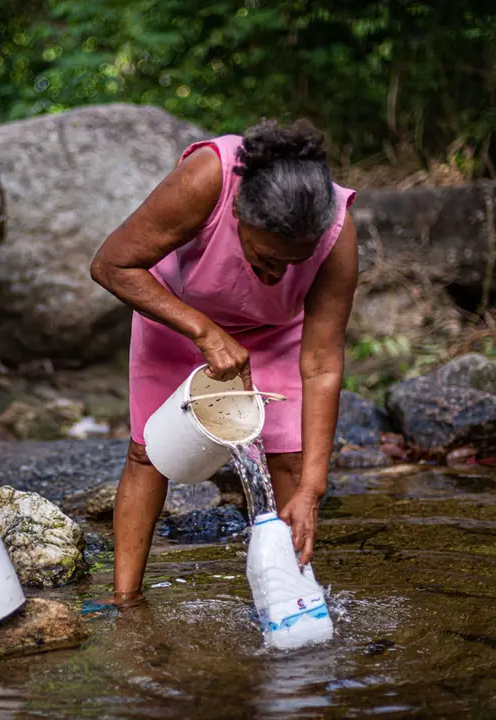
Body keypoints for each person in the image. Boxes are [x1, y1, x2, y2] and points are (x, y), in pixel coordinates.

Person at [89, 119, 358, 606]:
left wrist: (315, 487)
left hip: (275, 334)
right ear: (238, 210)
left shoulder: (336, 232)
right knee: (147, 452)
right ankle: (125, 600)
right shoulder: (206, 177)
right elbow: (111, 264)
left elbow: (321, 364)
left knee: (291, 463)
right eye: (265, 256)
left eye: (291, 264)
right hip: (177, 314)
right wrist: (204, 332)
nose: (277, 275)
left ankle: (288, 602)